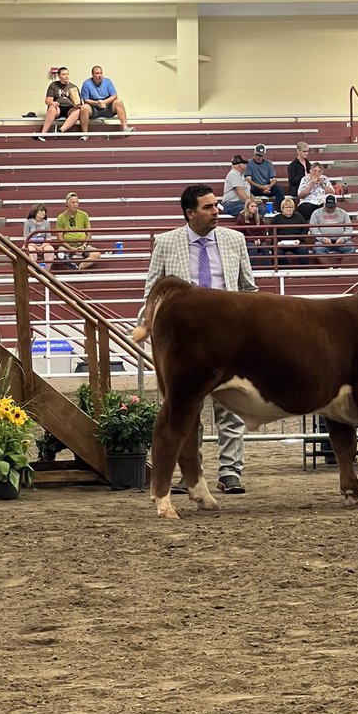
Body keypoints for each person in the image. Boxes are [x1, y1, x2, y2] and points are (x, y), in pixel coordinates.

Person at [142, 183, 256, 495]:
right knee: (185, 409)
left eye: (216, 205)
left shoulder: (234, 240)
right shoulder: (166, 242)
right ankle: (190, 473)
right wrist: (150, 326)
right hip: (185, 340)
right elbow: (152, 290)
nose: (216, 211)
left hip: (230, 335)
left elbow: (248, 288)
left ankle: (230, 470)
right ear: (190, 213)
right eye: (208, 207)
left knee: (231, 403)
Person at [35, 67, 89, 141]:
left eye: (67, 74)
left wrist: (77, 105)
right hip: (58, 108)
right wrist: (53, 103)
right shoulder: (53, 85)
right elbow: (47, 101)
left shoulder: (73, 87)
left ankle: (61, 130)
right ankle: (42, 134)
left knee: (78, 111)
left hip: (70, 108)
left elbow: (78, 102)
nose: (66, 76)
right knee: (52, 107)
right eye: (63, 74)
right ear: (59, 76)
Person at [80, 65, 134, 133]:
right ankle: (85, 134)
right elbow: (85, 100)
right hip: (94, 108)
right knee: (84, 108)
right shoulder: (86, 83)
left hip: (107, 107)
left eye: (101, 73)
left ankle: (125, 128)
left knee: (118, 102)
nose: (100, 75)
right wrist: (97, 103)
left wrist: (104, 102)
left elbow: (114, 96)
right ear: (92, 74)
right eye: (97, 73)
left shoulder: (108, 81)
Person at [55, 192, 101, 270]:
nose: (75, 204)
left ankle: (79, 268)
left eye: (77, 202)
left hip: (83, 245)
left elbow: (89, 234)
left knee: (96, 254)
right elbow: (59, 237)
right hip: (67, 246)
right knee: (60, 254)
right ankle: (73, 264)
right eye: (73, 202)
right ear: (67, 204)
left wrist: (83, 246)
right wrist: (70, 248)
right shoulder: (61, 217)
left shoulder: (84, 215)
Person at [309, 195, 355, 266]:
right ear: (324, 204)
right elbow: (313, 229)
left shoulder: (343, 212)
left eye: (332, 207)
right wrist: (323, 239)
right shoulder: (316, 213)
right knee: (318, 248)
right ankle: (328, 268)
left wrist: (343, 239)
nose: (330, 208)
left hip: (341, 241)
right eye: (328, 206)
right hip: (323, 241)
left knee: (351, 247)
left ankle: (341, 268)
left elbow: (349, 228)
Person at [267, 195, 308, 267]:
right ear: (282, 208)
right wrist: (277, 241)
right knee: (277, 252)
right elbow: (271, 231)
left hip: (296, 242)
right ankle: (287, 268)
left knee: (303, 250)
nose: (289, 209)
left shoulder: (299, 216)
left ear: (293, 208)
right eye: (286, 207)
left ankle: (303, 269)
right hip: (281, 243)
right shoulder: (277, 218)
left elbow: (305, 229)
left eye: (290, 207)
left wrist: (299, 240)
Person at [245, 144, 285, 211]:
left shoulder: (268, 163)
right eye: (256, 155)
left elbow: (274, 179)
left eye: (260, 155)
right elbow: (248, 179)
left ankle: (281, 210)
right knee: (248, 188)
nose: (258, 157)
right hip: (255, 187)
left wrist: (269, 187)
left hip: (267, 187)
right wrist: (261, 187)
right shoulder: (249, 163)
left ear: (264, 155)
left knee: (278, 189)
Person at [234, 197, 269, 268]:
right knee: (253, 247)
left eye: (255, 206)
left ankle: (267, 267)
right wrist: (253, 240)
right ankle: (251, 268)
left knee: (265, 247)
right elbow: (240, 234)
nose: (254, 208)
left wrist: (260, 240)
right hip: (246, 241)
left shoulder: (259, 218)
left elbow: (263, 231)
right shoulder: (241, 218)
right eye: (252, 206)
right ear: (247, 207)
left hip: (258, 240)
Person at [22, 203, 55, 268]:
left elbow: (48, 239)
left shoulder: (46, 223)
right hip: (30, 244)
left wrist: (41, 247)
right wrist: (35, 246)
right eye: (41, 210)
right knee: (30, 250)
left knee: (49, 249)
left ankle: (46, 271)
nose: (43, 212)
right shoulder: (28, 222)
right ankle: (33, 271)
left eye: (44, 211)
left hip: (43, 244)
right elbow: (25, 239)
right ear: (35, 212)